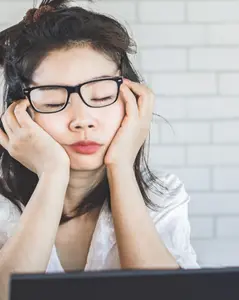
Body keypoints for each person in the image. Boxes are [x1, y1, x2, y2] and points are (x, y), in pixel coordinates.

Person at [0, 0, 199, 298]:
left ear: (134, 101)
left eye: (102, 95)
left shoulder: (163, 198)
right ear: (19, 114)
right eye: (53, 101)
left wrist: (120, 166)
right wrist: (53, 174)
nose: (82, 121)